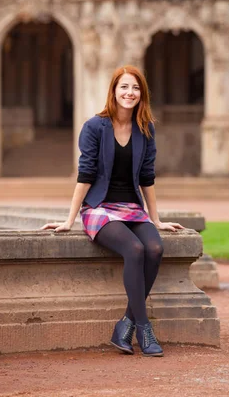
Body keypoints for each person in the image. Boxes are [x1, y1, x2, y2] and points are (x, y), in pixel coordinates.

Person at [41, 65, 183, 357]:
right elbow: (85, 174)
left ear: (141, 94)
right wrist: (70, 219)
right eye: (124, 87)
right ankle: (144, 329)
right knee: (134, 249)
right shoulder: (95, 127)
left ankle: (125, 325)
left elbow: (147, 177)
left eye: (135, 88)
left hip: (131, 207)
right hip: (99, 207)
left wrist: (155, 219)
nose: (130, 93)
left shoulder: (146, 129)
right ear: (114, 91)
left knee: (154, 247)